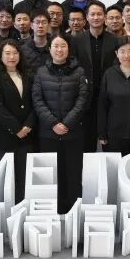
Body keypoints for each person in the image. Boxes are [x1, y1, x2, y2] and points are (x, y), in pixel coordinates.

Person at [32, 34, 89, 213]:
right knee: (51, 175)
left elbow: (83, 99)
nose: (59, 50)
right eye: (55, 46)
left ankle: (73, 212)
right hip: (48, 134)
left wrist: (67, 123)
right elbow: (37, 100)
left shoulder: (79, 72)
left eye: (63, 46)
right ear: (49, 49)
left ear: (68, 49)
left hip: (73, 133)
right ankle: (53, 213)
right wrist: (53, 123)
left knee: (73, 174)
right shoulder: (41, 72)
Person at [0, 40, 37, 202]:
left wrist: (28, 125)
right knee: (6, 180)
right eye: (7, 53)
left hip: (27, 136)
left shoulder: (28, 76)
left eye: (15, 53)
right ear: (1, 57)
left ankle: (23, 208)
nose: (12, 57)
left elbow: (35, 103)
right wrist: (16, 128)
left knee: (24, 178)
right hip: (4, 136)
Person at [71, 1, 118, 153]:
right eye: (92, 14)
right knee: (87, 140)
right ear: (87, 18)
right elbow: (73, 66)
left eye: (99, 14)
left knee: (109, 139)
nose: (96, 17)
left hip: (109, 95)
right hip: (85, 96)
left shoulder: (114, 40)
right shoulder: (77, 40)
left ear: (105, 17)